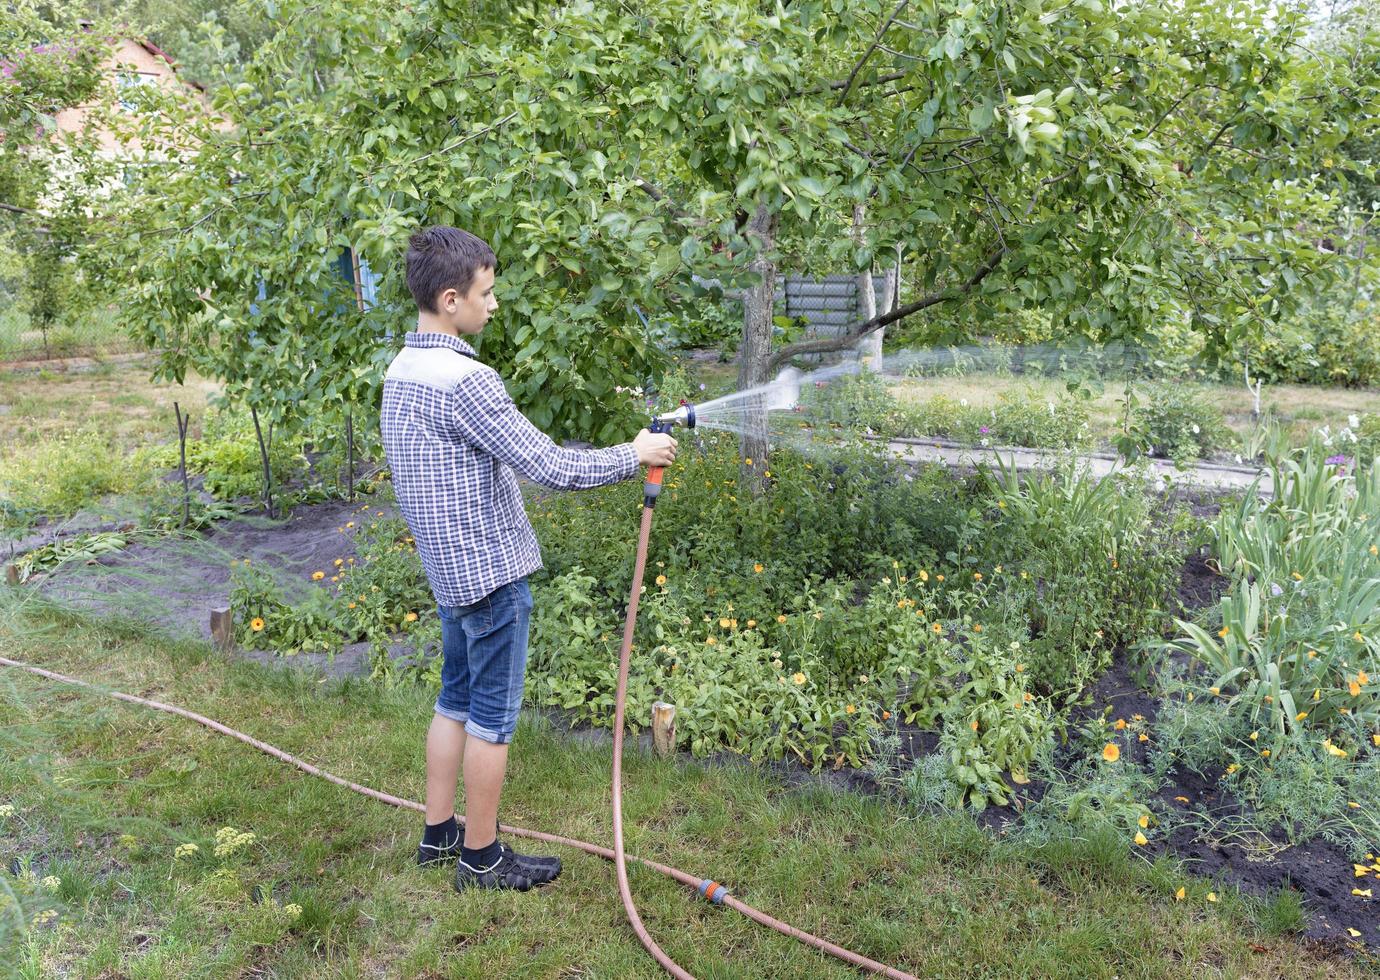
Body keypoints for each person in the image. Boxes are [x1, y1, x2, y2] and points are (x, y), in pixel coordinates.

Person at [379, 226, 676, 892]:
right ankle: (481, 858)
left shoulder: (403, 369)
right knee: (491, 718)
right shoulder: (467, 381)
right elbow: (550, 466)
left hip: (449, 571)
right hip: (490, 574)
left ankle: (438, 835)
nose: (495, 303)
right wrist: (634, 455)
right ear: (450, 299)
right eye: (486, 293)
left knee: (453, 701)